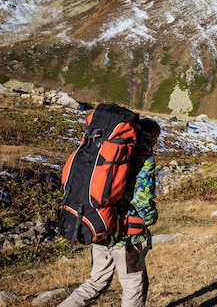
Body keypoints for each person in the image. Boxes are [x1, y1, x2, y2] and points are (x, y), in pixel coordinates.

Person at [58, 118, 161, 307]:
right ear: (152, 138)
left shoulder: (110, 153)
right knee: (134, 286)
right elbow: (143, 201)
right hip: (126, 237)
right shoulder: (144, 159)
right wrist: (151, 217)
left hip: (100, 225)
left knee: (96, 282)